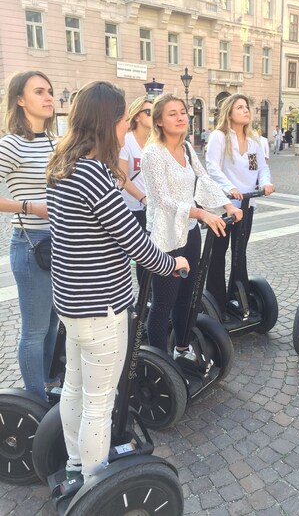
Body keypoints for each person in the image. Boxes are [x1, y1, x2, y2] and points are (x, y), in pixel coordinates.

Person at [46, 81, 189, 485]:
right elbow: (135, 243)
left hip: (72, 304)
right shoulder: (95, 175)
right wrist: (172, 262)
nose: (127, 126)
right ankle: (96, 483)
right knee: (99, 401)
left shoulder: (62, 165)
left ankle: (75, 464)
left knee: (74, 387)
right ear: (107, 122)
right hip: (102, 306)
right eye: (124, 118)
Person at [141, 93, 242, 358]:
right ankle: (159, 360)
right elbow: (162, 201)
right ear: (159, 121)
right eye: (172, 113)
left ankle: (182, 348)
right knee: (164, 301)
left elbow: (203, 180)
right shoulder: (153, 153)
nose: (180, 117)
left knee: (188, 294)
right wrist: (201, 213)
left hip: (189, 232)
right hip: (164, 235)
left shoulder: (186, 148)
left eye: (183, 112)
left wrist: (227, 206)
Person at [0, 70, 59, 401]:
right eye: (39, 91)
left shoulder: (54, 141)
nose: (49, 96)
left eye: (49, 91)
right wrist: (29, 206)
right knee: (35, 330)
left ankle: (49, 386)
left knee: (52, 324)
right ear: (20, 99)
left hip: (58, 243)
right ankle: (34, 402)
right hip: (30, 243)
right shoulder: (10, 144)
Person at [205, 93, 275, 318]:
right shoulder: (220, 137)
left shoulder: (254, 143)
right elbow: (212, 167)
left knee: (239, 253)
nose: (246, 111)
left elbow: (260, 168)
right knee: (218, 254)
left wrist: (265, 183)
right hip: (224, 207)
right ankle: (216, 303)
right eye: (240, 107)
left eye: (247, 107)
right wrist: (229, 187)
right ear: (229, 112)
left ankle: (237, 296)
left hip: (246, 206)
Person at [119, 95, 152, 282]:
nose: (152, 115)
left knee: (148, 257)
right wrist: (143, 198)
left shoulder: (153, 142)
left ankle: (147, 297)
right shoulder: (127, 141)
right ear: (137, 116)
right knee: (135, 255)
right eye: (148, 111)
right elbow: (122, 178)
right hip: (131, 207)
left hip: (151, 208)